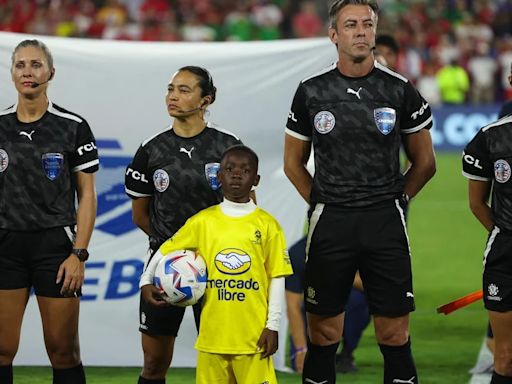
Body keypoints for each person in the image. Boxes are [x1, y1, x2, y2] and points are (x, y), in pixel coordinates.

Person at [283, 1, 436, 383]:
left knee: (395, 334)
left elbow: (425, 163)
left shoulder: (399, 89)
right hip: (331, 223)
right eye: (351, 25)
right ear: (334, 35)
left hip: (384, 223)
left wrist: (397, 201)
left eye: (367, 24)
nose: (361, 31)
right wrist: (322, 202)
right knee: (323, 334)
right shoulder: (311, 92)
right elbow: (293, 163)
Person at [124, 66, 243, 384]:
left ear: (206, 99)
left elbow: (246, 209)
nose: (173, 96)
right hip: (164, 269)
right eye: (171, 89)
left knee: (225, 364)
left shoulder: (228, 147)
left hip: (219, 268)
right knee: (154, 363)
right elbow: (140, 215)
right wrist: (174, 253)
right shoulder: (151, 150)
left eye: (184, 90)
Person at [139, 145, 293, 384]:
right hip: (212, 338)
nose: (236, 174)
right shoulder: (203, 221)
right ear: (218, 176)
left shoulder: (268, 225)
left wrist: (272, 326)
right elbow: (165, 249)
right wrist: (146, 280)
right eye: (229, 169)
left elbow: (277, 278)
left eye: (245, 170)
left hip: (253, 339)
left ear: (256, 179)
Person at [0, 39, 98, 384]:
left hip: (54, 249)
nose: (28, 71)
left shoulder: (72, 126)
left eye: (36, 64)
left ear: (51, 72)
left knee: (63, 350)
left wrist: (79, 253)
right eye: (21, 65)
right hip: (5, 248)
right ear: (12, 74)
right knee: (0, 348)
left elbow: (87, 195)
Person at [462, 73, 512, 383]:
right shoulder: (490, 137)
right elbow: (477, 203)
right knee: (505, 357)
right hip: (506, 255)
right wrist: (502, 233)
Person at [285, 236, 370, 374]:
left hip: (346, 303)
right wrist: (301, 349)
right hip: (313, 307)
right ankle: (307, 345)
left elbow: (374, 284)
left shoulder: (355, 245)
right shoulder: (297, 254)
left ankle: (346, 353)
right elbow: (292, 305)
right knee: (305, 366)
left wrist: (336, 271)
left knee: (359, 301)